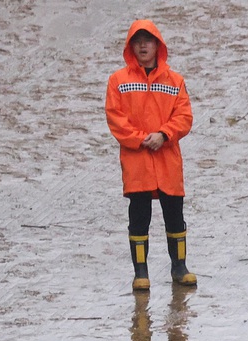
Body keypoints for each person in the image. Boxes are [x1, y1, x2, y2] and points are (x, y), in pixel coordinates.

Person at [105, 20, 195, 293]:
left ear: (158, 45)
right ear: (131, 46)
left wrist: (164, 135)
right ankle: (140, 273)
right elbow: (115, 118)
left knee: (174, 215)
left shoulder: (175, 80)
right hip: (138, 161)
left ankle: (179, 267)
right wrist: (140, 139)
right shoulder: (118, 81)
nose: (143, 45)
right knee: (139, 215)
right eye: (138, 41)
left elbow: (185, 117)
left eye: (148, 40)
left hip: (167, 160)